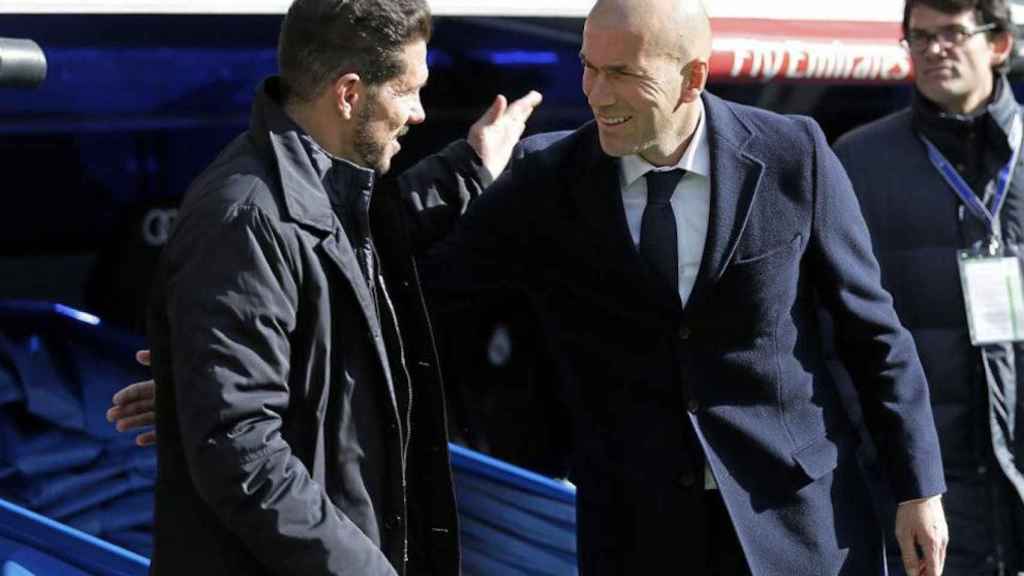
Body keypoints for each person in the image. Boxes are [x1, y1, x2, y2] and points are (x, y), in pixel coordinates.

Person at [112, 0, 950, 573]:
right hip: (636, 535)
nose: (594, 94)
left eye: (621, 74)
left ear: (693, 78)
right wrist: (214, 379)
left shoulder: (794, 152)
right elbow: (407, 299)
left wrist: (921, 485)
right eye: (589, 68)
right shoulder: (552, 180)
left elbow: (871, 332)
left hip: (798, 529)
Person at [123, 0, 541, 572]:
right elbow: (239, 447)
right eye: (406, 90)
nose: (419, 113)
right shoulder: (245, 219)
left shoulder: (314, 193)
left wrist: (471, 168)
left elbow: (361, 245)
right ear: (348, 94)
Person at [833, 0, 1024, 573]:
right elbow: (835, 325)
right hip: (923, 485)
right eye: (919, 38)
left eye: (952, 33)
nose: (934, 49)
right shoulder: (858, 160)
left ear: (999, 45)